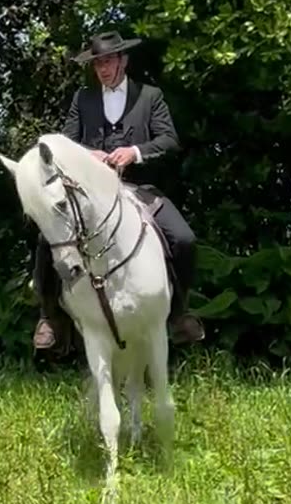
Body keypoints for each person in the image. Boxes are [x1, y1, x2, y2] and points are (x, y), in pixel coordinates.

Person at [31, 29, 205, 354]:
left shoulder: (149, 97)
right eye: (98, 63)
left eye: (109, 61)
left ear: (123, 60)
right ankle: (50, 318)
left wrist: (134, 152)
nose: (103, 69)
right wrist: (86, 154)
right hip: (89, 194)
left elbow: (169, 140)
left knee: (184, 239)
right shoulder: (83, 99)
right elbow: (63, 143)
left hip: (139, 189)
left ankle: (179, 313)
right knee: (46, 239)